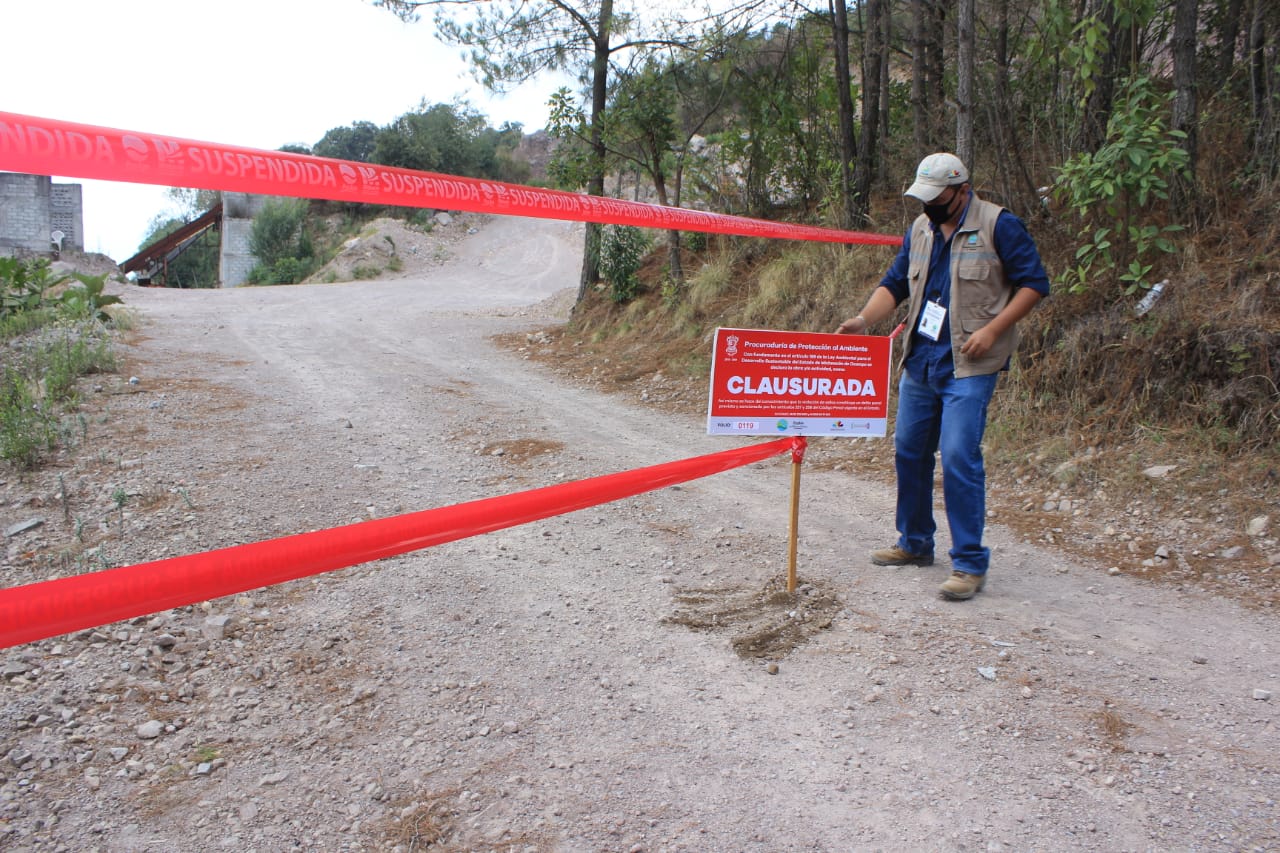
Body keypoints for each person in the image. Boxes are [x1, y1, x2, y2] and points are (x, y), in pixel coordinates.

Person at [836, 152, 1050, 600]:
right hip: (921, 359)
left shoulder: (999, 225)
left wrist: (993, 331)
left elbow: (1034, 284)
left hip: (969, 364)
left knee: (957, 456)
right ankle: (915, 543)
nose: (929, 206)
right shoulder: (920, 228)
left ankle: (969, 564)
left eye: (936, 198)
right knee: (909, 451)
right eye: (924, 199)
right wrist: (863, 319)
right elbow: (895, 283)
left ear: (962, 191)